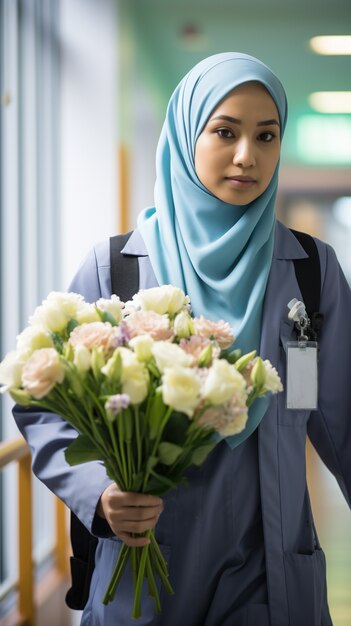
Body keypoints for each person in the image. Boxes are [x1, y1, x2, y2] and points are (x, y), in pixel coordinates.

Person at [13, 52, 351, 626]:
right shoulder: (119, 268)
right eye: (225, 132)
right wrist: (98, 493)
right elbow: (44, 405)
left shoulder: (310, 272)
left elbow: (342, 413)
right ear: (185, 137)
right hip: (147, 572)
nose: (248, 156)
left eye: (267, 136)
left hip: (270, 577)